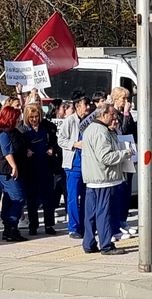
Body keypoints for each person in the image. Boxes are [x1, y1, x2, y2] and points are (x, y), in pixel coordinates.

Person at [81, 103, 132, 255]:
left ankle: (89, 243)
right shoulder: (101, 132)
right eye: (112, 115)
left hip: (94, 178)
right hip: (104, 178)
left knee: (91, 214)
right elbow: (105, 157)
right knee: (104, 213)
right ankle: (106, 245)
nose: (115, 118)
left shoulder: (91, 129)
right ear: (103, 115)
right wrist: (125, 153)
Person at [0, 105, 29, 242]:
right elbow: (7, 151)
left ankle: (7, 228)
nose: (19, 119)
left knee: (8, 197)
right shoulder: (3, 133)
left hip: (11, 169)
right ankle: (12, 226)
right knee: (18, 198)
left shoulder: (12, 131)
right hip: (8, 171)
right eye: (17, 116)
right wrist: (14, 167)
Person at [20, 103, 58, 236]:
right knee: (32, 198)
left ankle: (49, 224)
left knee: (48, 197)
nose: (34, 120)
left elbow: (55, 140)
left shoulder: (47, 127)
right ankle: (33, 225)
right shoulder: (22, 128)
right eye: (31, 118)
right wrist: (25, 150)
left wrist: (52, 148)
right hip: (31, 167)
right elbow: (17, 144)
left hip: (46, 165)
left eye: (36, 117)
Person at [58, 94, 92, 239]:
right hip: (73, 165)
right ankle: (73, 227)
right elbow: (61, 140)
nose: (88, 107)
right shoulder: (69, 121)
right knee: (72, 197)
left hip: (88, 164)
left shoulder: (90, 121)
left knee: (87, 197)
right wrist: (74, 144)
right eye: (86, 104)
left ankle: (86, 226)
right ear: (78, 106)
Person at [108, 87, 137, 238]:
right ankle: (117, 222)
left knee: (127, 189)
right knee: (119, 189)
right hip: (119, 154)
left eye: (127, 99)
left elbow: (133, 131)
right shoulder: (114, 114)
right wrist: (125, 113)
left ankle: (123, 219)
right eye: (123, 99)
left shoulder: (128, 114)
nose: (126, 102)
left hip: (129, 154)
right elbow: (123, 131)